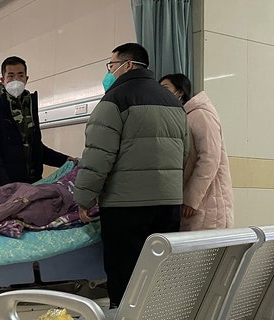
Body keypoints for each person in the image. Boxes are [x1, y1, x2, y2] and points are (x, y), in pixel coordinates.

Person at [73, 43, 188, 309]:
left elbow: (98, 156)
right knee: (159, 275)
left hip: (126, 206)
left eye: (111, 66)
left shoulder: (114, 100)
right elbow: (185, 152)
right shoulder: (173, 102)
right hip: (168, 204)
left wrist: (84, 199)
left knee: (125, 277)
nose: (109, 72)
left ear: (127, 65)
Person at [0, 56, 76, 188]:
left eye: (20, 75)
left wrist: (65, 160)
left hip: (32, 184)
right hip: (5, 187)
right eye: (11, 76)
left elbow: (36, 147)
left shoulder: (29, 107)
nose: (16, 80)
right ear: (3, 80)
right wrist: (6, 188)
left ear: (26, 78)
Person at [159, 73, 234, 231]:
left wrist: (191, 199)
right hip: (193, 203)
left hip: (207, 203)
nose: (160, 93)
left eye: (165, 88)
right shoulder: (183, 116)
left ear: (180, 92)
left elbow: (210, 158)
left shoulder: (201, 114)